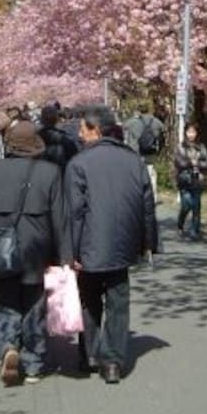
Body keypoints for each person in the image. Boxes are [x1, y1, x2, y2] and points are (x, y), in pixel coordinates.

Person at [63, 104, 158, 385]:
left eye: (83, 129)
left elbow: (74, 212)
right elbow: (147, 205)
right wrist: (147, 242)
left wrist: (70, 252)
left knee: (89, 300)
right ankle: (113, 362)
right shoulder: (133, 161)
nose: (79, 134)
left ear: (95, 130)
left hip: (89, 245)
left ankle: (90, 355)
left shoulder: (78, 164)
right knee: (118, 303)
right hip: (123, 245)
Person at [0, 120, 64, 385]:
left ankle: (9, 345)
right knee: (34, 305)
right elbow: (59, 219)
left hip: (1, 248)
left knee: (5, 301)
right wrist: (63, 256)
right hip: (37, 249)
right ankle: (33, 364)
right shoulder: (50, 173)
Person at [174, 121, 207, 240]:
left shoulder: (201, 147)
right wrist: (190, 162)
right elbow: (179, 163)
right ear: (185, 133)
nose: (191, 134)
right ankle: (180, 224)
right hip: (184, 180)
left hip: (198, 179)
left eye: (193, 132)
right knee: (186, 205)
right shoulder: (181, 147)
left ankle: (194, 230)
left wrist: (198, 163)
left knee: (196, 205)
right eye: (189, 132)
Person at [123, 104, 165, 201]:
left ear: (138, 111)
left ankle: (137, 196)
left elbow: (124, 126)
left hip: (136, 152)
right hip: (151, 152)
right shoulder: (155, 121)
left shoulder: (133, 121)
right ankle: (153, 196)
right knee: (151, 174)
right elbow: (162, 128)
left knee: (136, 175)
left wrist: (135, 117)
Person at [38, 101, 79, 172]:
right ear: (57, 119)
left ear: (41, 119)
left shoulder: (35, 138)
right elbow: (75, 159)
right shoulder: (66, 139)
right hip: (62, 173)